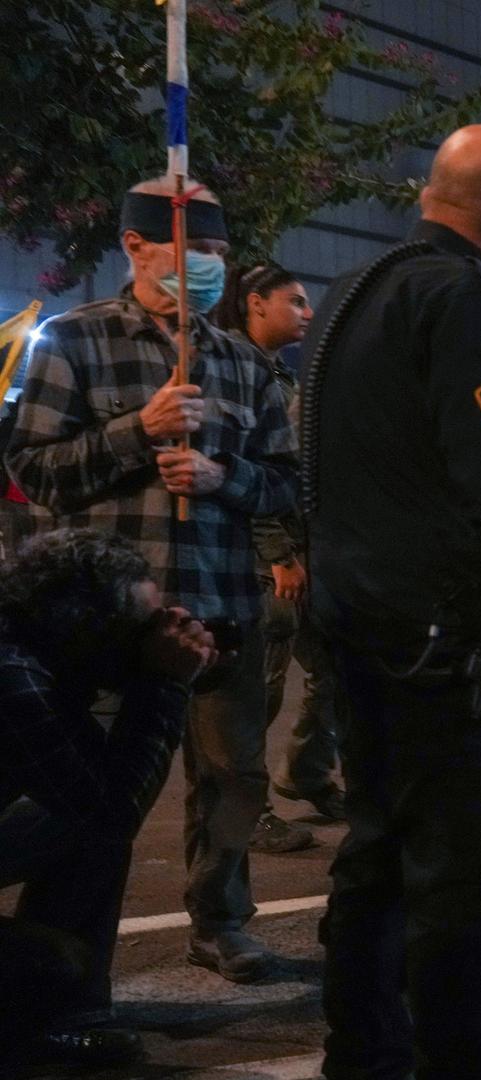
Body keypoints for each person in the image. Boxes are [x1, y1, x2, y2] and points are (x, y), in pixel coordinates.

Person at [302, 124, 481, 1077]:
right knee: (471, 899)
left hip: (360, 638)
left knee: (374, 865)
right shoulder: (468, 302)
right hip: (452, 661)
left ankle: (363, 1057)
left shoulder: (351, 295)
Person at [4, 174, 298, 983]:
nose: (208, 265)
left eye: (217, 251)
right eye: (191, 247)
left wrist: (221, 476)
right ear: (136, 245)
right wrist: (140, 431)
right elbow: (33, 468)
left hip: (219, 605)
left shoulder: (243, 362)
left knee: (232, 778)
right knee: (90, 802)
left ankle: (221, 920)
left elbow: (285, 481)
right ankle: (67, 964)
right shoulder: (75, 341)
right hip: (104, 621)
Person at [0, 529, 217, 1073]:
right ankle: (35, 1032)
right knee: (54, 960)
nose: (158, 632)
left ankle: (66, 1017)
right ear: (88, 629)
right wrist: (165, 685)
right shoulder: (14, 679)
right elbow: (115, 810)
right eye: (142, 625)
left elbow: (94, 792)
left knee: (80, 831)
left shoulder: (29, 645)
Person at [212, 262, 339, 852]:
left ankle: (306, 773)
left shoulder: (277, 373)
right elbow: (251, 472)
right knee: (254, 696)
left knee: (335, 671)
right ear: (255, 304)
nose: (307, 313)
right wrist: (281, 555)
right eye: (295, 301)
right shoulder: (233, 367)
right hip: (262, 562)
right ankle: (248, 811)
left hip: (300, 553)